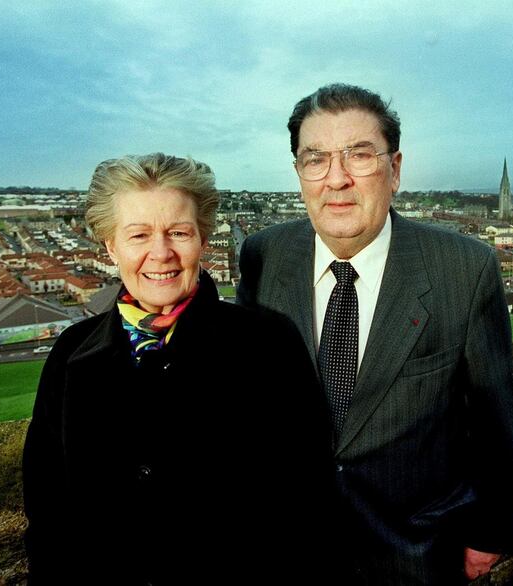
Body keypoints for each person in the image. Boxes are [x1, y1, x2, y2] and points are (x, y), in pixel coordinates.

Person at [238, 84, 513, 584]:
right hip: (288, 549)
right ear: (299, 174)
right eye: (316, 159)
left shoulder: (464, 268)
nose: (337, 179)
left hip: (413, 551)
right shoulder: (263, 255)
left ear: (395, 170)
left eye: (360, 156)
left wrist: (490, 532)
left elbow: (492, 414)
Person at [23, 153, 333, 584]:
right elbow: (48, 506)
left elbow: (308, 500)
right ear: (111, 245)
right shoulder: (72, 353)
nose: (161, 253)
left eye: (179, 232)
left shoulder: (267, 343)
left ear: (203, 239)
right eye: (138, 235)